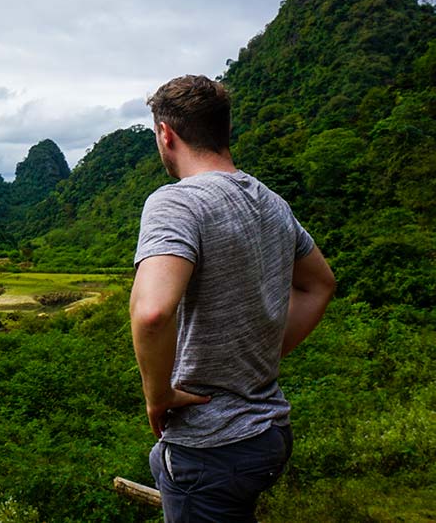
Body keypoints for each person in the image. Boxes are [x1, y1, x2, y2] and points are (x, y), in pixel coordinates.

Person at [129, 75, 336, 522]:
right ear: (224, 130)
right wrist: (261, 354)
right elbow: (320, 284)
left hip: (212, 445)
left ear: (166, 134)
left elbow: (152, 312)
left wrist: (158, 395)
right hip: (268, 434)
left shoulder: (177, 203)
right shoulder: (274, 204)